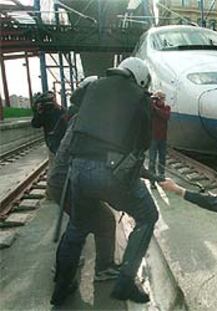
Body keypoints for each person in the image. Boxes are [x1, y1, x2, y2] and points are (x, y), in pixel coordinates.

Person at [51, 57, 157, 306]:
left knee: (77, 226)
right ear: (139, 78)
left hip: (77, 169)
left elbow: (76, 105)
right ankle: (125, 281)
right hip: (109, 169)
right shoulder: (139, 96)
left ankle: (61, 287)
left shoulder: (93, 87)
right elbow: (142, 144)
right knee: (147, 216)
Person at [48, 76, 120, 283]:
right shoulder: (93, 119)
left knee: (78, 224)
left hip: (63, 181)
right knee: (104, 221)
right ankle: (103, 268)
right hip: (68, 182)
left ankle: (63, 266)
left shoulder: (82, 116)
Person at [149, 90, 171, 187]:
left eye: (162, 98)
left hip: (162, 138)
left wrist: (155, 107)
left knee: (162, 159)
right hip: (153, 138)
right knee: (152, 160)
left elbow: (165, 116)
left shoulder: (166, 108)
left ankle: (161, 179)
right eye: (160, 98)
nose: (162, 100)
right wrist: (150, 102)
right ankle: (152, 180)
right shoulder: (151, 109)